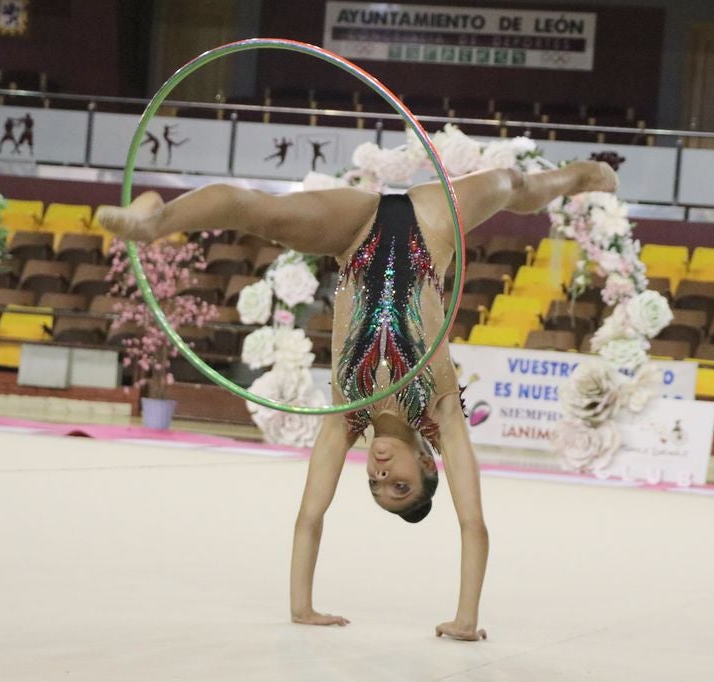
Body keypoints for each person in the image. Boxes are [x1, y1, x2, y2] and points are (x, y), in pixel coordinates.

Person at [96, 160, 618, 641]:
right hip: (430, 226)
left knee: (261, 212)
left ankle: (153, 220)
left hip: (357, 232)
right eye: (400, 484)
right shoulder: (441, 414)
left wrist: (302, 608)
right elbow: (472, 524)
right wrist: (466, 619)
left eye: (375, 485)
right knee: (513, 183)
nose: (380, 472)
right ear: (428, 463)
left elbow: (309, 516)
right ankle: (579, 176)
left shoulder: (346, 417)